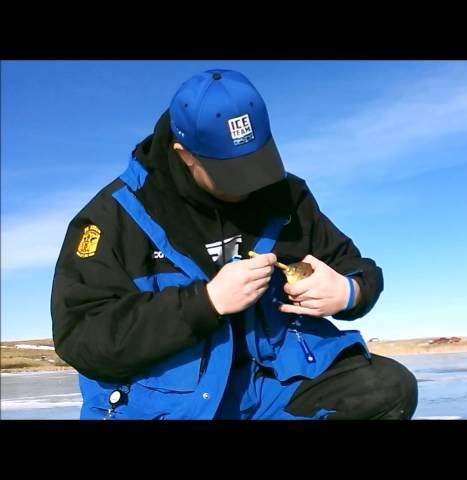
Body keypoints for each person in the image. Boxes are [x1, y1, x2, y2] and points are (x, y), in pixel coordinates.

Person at [51, 68, 418, 420]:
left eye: (256, 162)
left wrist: (348, 291)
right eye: (231, 172)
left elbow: (358, 268)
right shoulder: (113, 217)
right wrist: (206, 303)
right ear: (184, 153)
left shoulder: (286, 196)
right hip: (172, 408)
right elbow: (83, 338)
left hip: (272, 391)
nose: (250, 185)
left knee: (387, 389)